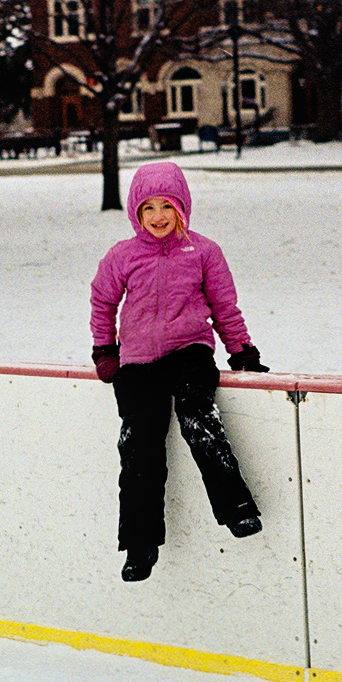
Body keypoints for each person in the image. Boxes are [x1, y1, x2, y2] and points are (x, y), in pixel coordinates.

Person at [89, 160, 270, 582]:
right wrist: (104, 348)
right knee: (139, 446)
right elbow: (102, 302)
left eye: (166, 207)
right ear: (136, 211)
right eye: (147, 208)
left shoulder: (205, 252)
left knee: (198, 420)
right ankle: (140, 544)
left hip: (189, 352)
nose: (157, 217)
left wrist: (242, 352)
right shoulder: (122, 256)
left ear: (182, 208)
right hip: (137, 362)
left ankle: (236, 508)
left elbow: (225, 307)